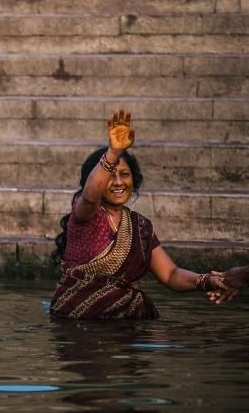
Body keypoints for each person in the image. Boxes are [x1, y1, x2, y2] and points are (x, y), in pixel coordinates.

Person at [49, 110, 227, 319]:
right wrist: (113, 153)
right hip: (79, 325)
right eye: (110, 176)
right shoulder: (86, 214)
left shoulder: (140, 227)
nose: (117, 182)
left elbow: (170, 275)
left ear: (134, 180)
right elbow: (90, 196)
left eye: (124, 174)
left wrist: (207, 281)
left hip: (125, 323)